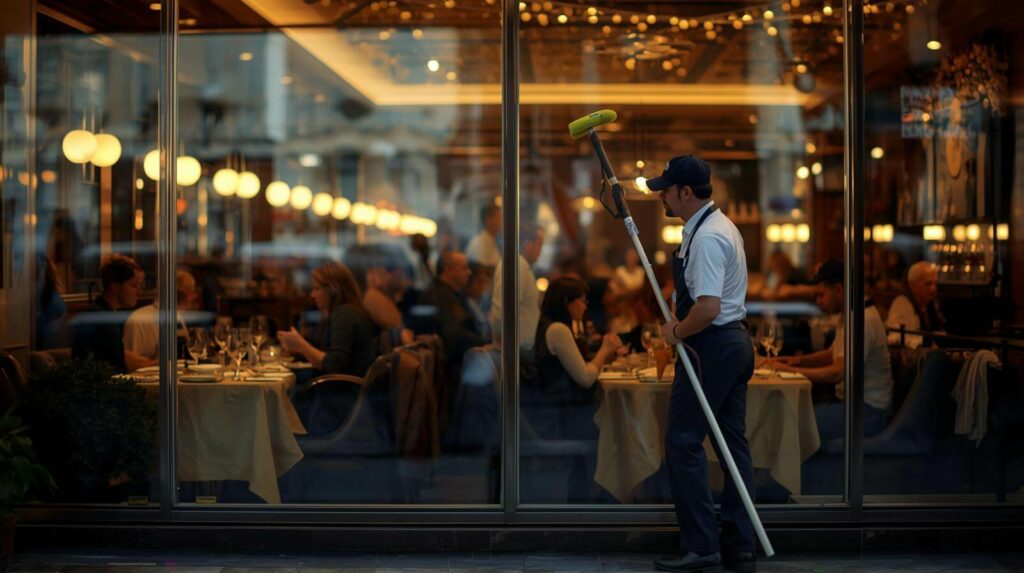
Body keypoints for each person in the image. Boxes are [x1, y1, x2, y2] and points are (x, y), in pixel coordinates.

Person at [649, 155, 757, 573]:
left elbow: (708, 308)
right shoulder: (715, 226)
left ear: (686, 193)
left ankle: (701, 545)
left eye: (667, 190)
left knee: (682, 441)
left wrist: (675, 331)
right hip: (731, 344)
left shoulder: (709, 236)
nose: (662, 196)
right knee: (733, 447)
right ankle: (739, 543)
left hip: (711, 345)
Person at [770, 259, 894, 442]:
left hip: (869, 411)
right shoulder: (851, 313)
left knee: (791, 420)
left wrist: (789, 371)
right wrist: (795, 361)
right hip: (851, 404)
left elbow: (837, 372)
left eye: (821, 295)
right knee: (788, 412)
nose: (818, 301)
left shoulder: (862, 319)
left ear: (838, 290)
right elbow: (833, 353)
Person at [277, 261, 380, 377]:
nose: (312, 295)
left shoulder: (344, 314)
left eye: (316, 289)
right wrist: (298, 350)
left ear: (333, 289)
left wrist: (301, 345)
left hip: (346, 391)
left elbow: (334, 365)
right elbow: (329, 355)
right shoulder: (345, 311)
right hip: (344, 388)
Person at [71, 255, 156, 373]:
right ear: (115, 287)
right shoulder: (104, 320)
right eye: (134, 286)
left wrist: (153, 363)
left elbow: (120, 356)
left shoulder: (100, 312)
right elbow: (118, 371)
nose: (139, 292)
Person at [416, 251, 486, 374]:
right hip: (453, 369)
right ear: (449, 271)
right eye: (464, 268)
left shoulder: (449, 294)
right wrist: (486, 344)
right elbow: (456, 336)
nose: (469, 273)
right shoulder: (442, 297)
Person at [490, 222, 544, 351]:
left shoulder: (521, 265)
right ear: (527, 245)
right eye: (539, 244)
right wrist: (505, 348)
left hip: (522, 348)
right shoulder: (516, 265)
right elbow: (504, 310)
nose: (540, 250)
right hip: (518, 351)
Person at [123, 269, 197, 360]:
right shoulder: (139, 320)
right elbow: (128, 364)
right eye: (192, 291)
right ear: (180, 294)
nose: (194, 296)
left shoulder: (177, 317)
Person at [885, 261, 945, 348]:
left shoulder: (931, 304)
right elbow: (897, 338)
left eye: (935, 283)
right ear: (912, 285)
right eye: (928, 284)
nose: (933, 288)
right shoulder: (902, 303)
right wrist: (926, 342)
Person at [465, 204, 501, 268]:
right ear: (489, 220)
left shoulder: (491, 241)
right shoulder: (479, 243)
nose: (502, 221)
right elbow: (483, 273)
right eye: (499, 217)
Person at [465, 263, 494, 342]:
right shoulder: (465, 302)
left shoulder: (485, 299)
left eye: (486, 282)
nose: (483, 287)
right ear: (468, 282)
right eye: (479, 282)